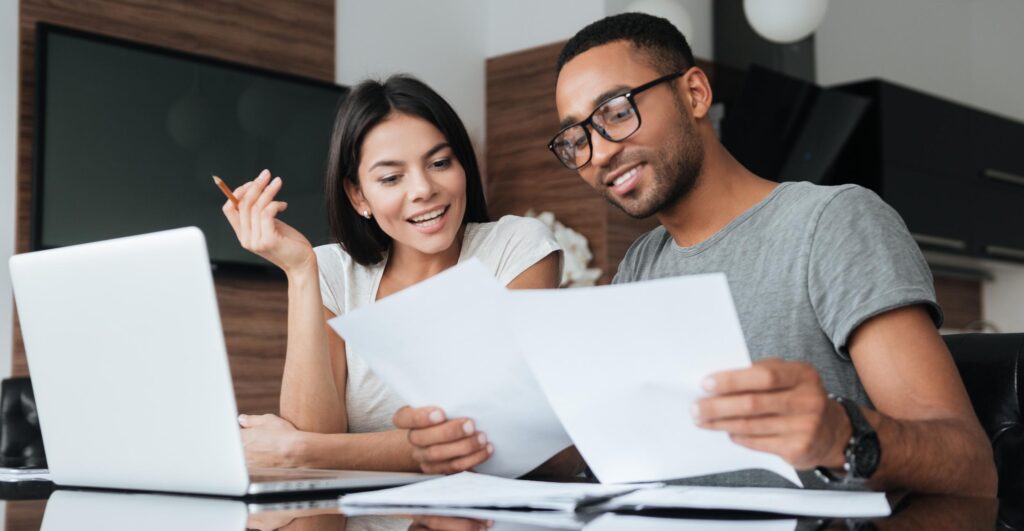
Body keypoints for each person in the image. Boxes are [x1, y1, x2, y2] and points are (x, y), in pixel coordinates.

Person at [398, 14, 996, 496]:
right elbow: (613, 456)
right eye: (577, 138)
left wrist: (842, 433)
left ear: (694, 92)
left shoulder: (832, 222)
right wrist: (477, 442)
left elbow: (969, 465)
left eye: (616, 112)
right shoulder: (640, 263)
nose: (599, 152)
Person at [221, 75, 568, 474]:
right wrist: (300, 273)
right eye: (391, 177)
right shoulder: (333, 270)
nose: (423, 189)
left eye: (440, 163)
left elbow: (496, 437)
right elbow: (313, 440)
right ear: (357, 195)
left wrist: (300, 450)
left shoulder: (516, 248)